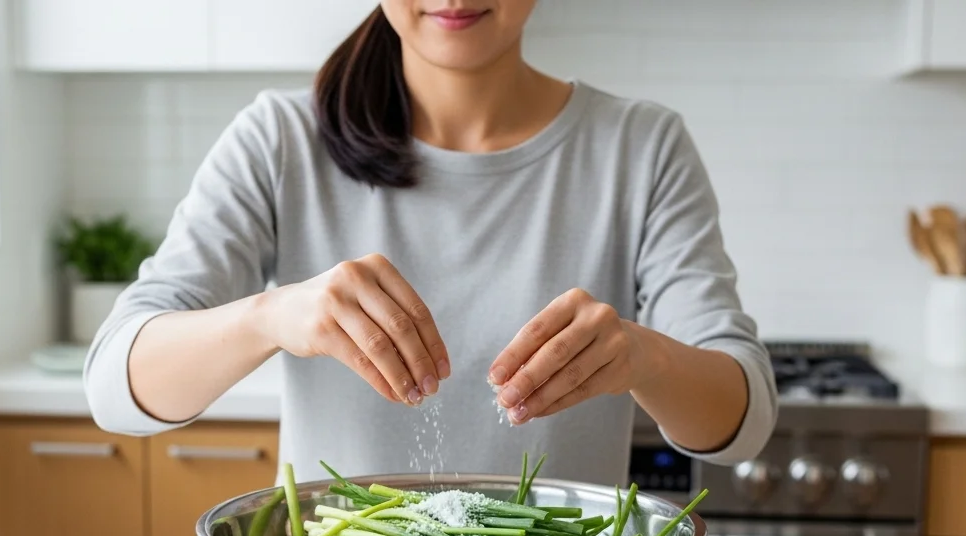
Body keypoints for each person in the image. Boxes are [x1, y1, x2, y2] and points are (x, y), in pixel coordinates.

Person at [84, 1, 777, 485]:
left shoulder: (642, 148)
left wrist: (644, 355)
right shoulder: (278, 139)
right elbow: (116, 387)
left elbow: (742, 425)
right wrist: (272, 316)